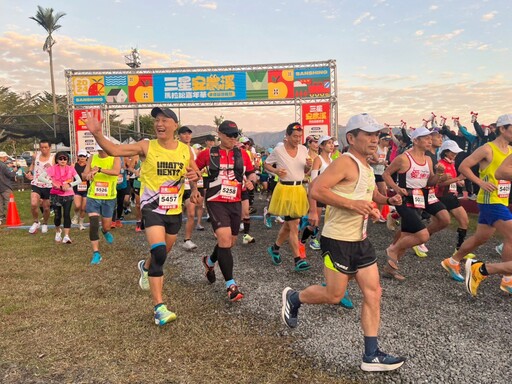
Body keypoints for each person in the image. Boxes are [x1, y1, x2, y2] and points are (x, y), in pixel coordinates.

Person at [281, 113, 406, 372]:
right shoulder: (345, 162)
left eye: (376, 135)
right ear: (351, 138)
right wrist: (353, 205)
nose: (374, 139)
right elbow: (316, 189)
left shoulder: (367, 167)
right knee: (334, 294)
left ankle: (371, 354)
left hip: (360, 240)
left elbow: (369, 194)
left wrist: (386, 201)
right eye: (368, 134)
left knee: (374, 293)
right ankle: (294, 297)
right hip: (337, 240)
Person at [84, 107, 201, 325]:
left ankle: (144, 267)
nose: (160, 124)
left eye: (165, 120)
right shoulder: (147, 145)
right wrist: (98, 134)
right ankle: (159, 308)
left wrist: (194, 185)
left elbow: (194, 171)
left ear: (175, 125)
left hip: (174, 210)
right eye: (157, 120)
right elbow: (115, 150)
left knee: (162, 252)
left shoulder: (185, 150)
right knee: (159, 253)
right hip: (151, 207)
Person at [445, 114, 512, 296]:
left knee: (481, 238)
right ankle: (504, 278)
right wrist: (480, 183)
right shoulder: (488, 149)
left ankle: (453, 260)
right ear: (502, 129)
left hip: (502, 199)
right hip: (491, 200)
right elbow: (464, 166)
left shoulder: (511, 151)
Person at [196, 120, 257, 301]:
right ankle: (231, 285)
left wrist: (250, 182)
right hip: (216, 201)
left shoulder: (243, 154)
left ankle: (209, 262)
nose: (232, 138)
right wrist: (194, 187)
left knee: (229, 243)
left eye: (235, 135)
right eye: (228, 135)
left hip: (235, 201)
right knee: (223, 239)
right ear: (219, 134)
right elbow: (193, 169)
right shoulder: (208, 153)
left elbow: (251, 173)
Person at [382, 127, 450, 280]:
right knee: (422, 236)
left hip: (420, 198)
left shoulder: (428, 159)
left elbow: (430, 182)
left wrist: (439, 174)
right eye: (425, 138)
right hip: (404, 200)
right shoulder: (403, 158)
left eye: (430, 138)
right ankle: (392, 249)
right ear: (416, 140)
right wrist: (397, 188)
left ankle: (389, 269)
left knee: (406, 234)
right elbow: (386, 174)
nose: (429, 140)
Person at [265, 123, 313, 272]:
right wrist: (276, 171)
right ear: (287, 136)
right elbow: (266, 164)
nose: (298, 139)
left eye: (300, 136)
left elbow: (305, 170)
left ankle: (275, 248)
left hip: (299, 189)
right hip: (285, 189)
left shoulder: (304, 149)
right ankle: (298, 259)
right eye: (295, 136)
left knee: (289, 225)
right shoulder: (279, 150)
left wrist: (308, 166)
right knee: (294, 225)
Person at [82, 140, 120, 264]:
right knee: (93, 225)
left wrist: (99, 169)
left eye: (103, 150)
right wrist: (87, 175)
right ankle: (96, 253)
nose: (101, 153)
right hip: (93, 195)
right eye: (99, 150)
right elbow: (84, 174)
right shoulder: (92, 157)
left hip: (109, 197)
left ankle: (105, 231)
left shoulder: (115, 157)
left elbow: (116, 171)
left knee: (106, 225)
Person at [39, 151, 82, 244]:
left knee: (66, 214)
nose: (63, 160)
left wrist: (70, 184)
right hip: (55, 194)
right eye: (60, 159)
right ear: (57, 160)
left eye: (65, 158)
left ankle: (66, 236)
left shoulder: (71, 169)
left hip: (68, 194)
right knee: (57, 215)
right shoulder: (53, 169)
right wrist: (52, 183)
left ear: (67, 160)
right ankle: (58, 231)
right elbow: (40, 178)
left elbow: (79, 180)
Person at [25, 140, 54, 234]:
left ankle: (45, 223)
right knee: (34, 204)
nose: (44, 149)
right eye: (42, 147)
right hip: (36, 183)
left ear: (50, 147)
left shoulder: (53, 158)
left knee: (46, 207)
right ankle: (36, 221)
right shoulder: (36, 156)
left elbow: (58, 170)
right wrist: (30, 172)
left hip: (48, 185)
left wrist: (52, 167)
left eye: (46, 147)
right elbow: (32, 164)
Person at [178, 126, 199, 251]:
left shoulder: (191, 150)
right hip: (174, 187)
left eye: (189, 134)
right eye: (184, 134)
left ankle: (187, 239)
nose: (187, 136)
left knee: (191, 213)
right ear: (179, 135)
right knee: (173, 215)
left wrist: (194, 188)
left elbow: (193, 169)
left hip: (188, 186)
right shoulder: (174, 147)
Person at [72, 149, 89, 230]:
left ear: (86, 157)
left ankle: (81, 224)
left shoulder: (89, 166)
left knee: (83, 208)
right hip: (76, 188)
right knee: (78, 206)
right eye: (80, 156)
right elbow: (70, 176)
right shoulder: (74, 165)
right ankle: (75, 215)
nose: (82, 157)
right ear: (78, 157)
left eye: (84, 156)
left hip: (86, 188)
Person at [0, 151, 17, 225]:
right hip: (5, 186)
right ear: (4, 157)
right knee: (8, 202)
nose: (7, 158)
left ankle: (1, 217)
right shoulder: (3, 165)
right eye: (6, 157)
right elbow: (10, 175)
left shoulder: (4, 165)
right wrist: (14, 171)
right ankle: (9, 216)